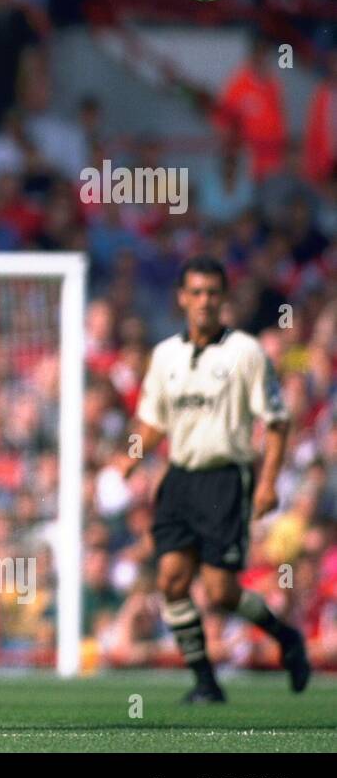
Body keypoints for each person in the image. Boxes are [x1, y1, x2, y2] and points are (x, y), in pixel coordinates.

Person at [117, 255, 309, 702]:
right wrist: (129, 456)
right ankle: (205, 680)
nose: (204, 301)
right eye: (196, 293)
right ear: (182, 298)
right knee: (171, 581)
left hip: (226, 479)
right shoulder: (165, 355)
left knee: (221, 591)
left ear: (222, 299)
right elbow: (150, 422)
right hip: (178, 479)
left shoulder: (245, 352)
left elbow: (277, 422)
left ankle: (287, 638)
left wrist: (267, 482)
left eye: (212, 293)